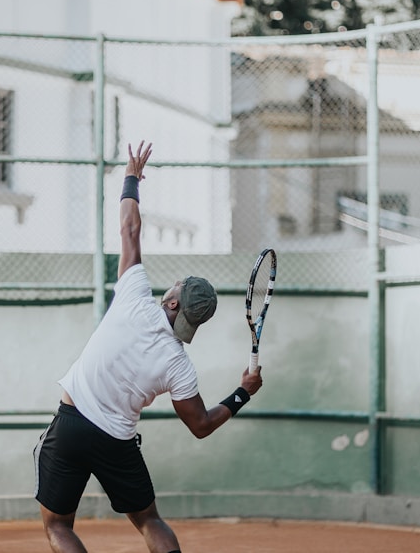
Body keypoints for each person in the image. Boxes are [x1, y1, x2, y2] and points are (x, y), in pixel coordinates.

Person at [33, 141, 263, 553]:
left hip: (70, 425)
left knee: (58, 527)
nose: (171, 286)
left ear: (172, 302)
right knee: (149, 521)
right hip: (115, 442)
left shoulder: (135, 296)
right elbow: (201, 425)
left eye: (175, 288)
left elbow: (129, 229)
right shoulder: (179, 364)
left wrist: (131, 180)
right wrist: (243, 392)